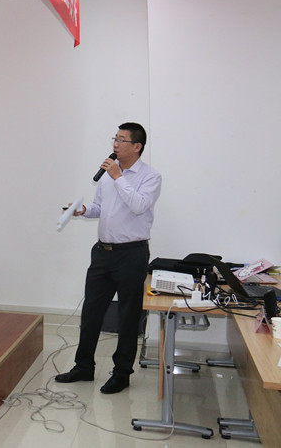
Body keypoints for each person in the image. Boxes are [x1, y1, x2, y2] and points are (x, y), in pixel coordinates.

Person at [56, 122, 162, 394]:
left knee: (128, 315)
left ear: (137, 146)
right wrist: (83, 210)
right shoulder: (108, 175)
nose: (115, 144)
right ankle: (83, 366)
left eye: (122, 140)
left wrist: (118, 177)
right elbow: (100, 207)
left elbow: (139, 205)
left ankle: (122, 373)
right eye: (115, 138)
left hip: (132, 254)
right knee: (91, 311)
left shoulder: (150, 176)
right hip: (102, 252)